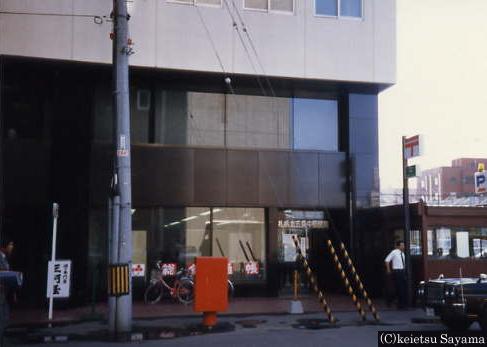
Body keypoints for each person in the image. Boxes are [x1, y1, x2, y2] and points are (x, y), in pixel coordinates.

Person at [384, 241, 407, 309]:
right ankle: (400, 304)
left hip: (402, 271)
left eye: (403, 245)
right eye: (402, 245)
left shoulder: (403, 253)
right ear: (398, 246)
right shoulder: (394, 252)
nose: (403, 247)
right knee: (400, 288)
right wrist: (388, 270)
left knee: (402, 288)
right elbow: (386, 260)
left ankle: (399, 303)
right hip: (397, 271)